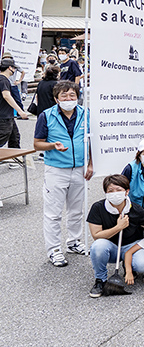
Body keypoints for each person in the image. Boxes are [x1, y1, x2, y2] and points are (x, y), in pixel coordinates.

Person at [34, 80, 93, 267]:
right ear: (56, 98)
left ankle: (74, 242)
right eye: (64, 96)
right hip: (56, 170)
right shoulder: (46, 116)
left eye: (72, 95)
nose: (68, 99)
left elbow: (92, 142)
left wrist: (90, 164)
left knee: (76, 210)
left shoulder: (86, 115)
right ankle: (54, 250)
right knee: (53, 213)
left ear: (78, 96)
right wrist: (52, 146)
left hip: (80, 169)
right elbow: (37, 144)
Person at [86, 175, 144, 297]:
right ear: (105, 193)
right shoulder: (98, 208)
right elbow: (96, 235)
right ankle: (100, 280)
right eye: (110, 191)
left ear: (127, 191)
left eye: (119, 190)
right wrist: (118, 227)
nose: (114, 194)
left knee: (143, 264)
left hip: (131, 247)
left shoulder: (137, 209)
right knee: (97, 246)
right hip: (111, 248)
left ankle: (129, 266)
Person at [0, 59, 29, 147]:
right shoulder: (3, 80)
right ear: (10, 68)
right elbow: (6, 95)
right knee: (3, 136)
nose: (15, 70)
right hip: (4, 116)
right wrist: (20, 111)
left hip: (8, 114)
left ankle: (15, 157)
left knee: (14, 137)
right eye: (14, 68)